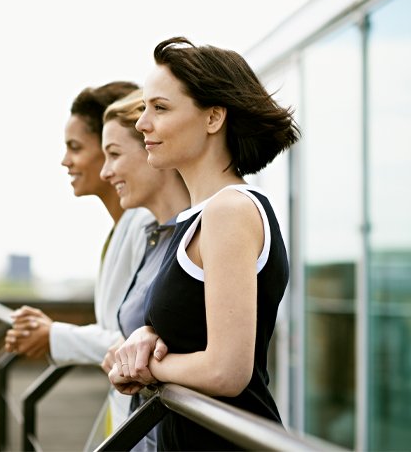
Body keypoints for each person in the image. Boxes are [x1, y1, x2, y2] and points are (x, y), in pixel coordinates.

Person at [109, 36, 300, 451]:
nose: (143, 123)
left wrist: (149, 368)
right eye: (144, 108)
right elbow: (194, 324)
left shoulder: (229, 210)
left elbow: (227, 370)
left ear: (213, 118)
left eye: (159, 108)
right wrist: (147, 333)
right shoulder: (201, 216)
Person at [4, 81, 154, 433]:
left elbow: (128, 339)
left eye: (75, 147)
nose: (65, 161)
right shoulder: (122, 227)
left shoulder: (147, 225)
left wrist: (53, 335)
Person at [97, 89, 190, 450]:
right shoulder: (153, 237)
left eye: (115, 154)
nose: (106, 172)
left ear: (151, 149)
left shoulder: (195, 237)